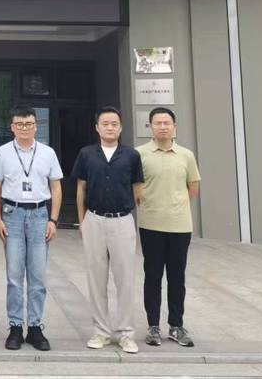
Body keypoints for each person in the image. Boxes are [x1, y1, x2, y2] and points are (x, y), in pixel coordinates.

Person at [0, 105, 63, 351]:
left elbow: (56, 187)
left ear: (36, 126)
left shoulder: (47, 153)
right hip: (12, 215)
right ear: (12, 127)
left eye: (29, 124)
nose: (24, 128)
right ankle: (15, 327)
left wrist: (53, 220)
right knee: (14, 276)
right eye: (19, 124)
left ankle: (34, 327)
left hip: (40, 215)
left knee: (38, 276)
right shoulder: (2, 153)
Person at [74, 106, 144, 354]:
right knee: (96, 278)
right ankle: (101, 332)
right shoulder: (87, 154)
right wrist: (83, 221)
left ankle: (126, 333)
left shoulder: (131, 156)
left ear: (121, 127)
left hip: (122, 220)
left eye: (114, 123)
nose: (110, 127)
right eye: (105, 123)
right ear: (97, 127)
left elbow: (138, 189)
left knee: (125, 280)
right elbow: (81, 188)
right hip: (94, 219)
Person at [136, 107, 201, 348]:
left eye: (167, 123)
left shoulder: (186, 155)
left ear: (174, 127)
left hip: (180, 226)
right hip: (150, 224)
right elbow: (136, 187)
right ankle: (153, 326)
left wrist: (174, 205)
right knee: (152, 276)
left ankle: (176, 325)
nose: (162, 127)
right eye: (158, 123)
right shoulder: (139, 154)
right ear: (150, 127)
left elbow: (193, 187)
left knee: (177, 277)